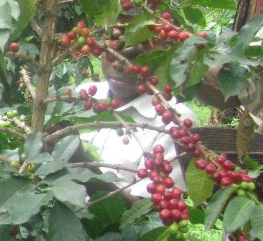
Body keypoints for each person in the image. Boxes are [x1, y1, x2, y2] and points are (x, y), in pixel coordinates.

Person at [77, 45, 195, 198]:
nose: (120, 65)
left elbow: (144, 214)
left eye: (137, 55)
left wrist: (81, 165)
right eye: (114, 50)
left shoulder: (174, 123)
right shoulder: (83, 95)